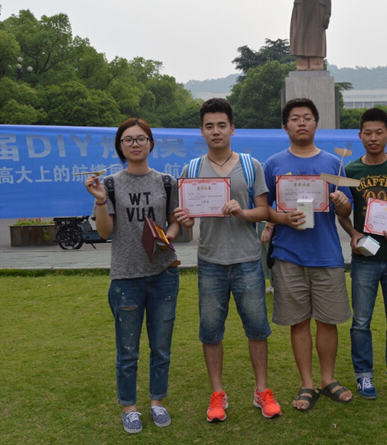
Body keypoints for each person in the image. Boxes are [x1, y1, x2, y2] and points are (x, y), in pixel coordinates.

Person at [174, 98, 281, 422]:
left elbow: (264, 210)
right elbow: (188, 218)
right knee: (210, 331)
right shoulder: (192, 169)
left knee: (257, 328)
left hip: (247, 259)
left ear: (232, 129)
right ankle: (217, 394)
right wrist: (185, 220)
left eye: (221, 125)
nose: (216, 131)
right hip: (210, 261)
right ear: (202, 131)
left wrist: (242, 212)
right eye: (209, 126)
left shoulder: (250, 165)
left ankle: (262, 391)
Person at [85, 118, 180, 434]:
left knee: (161, 347)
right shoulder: (110, 184)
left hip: (164, 273)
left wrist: (169, 235)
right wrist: (101, 199)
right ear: (120, 147)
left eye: (141, 138)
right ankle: (129, 407)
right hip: (126, 278)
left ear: (151, 143)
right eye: (128, 139)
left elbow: (175, 222)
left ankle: (157, 402)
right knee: (127, 351)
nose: (135, 144)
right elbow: (104, 232)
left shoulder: (167, 182)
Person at [261, 98, 353, 411]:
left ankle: (328, 379)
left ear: (316, 123)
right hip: (289, 255)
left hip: (326, 254)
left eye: (308, 117)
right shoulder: (273, 164)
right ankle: (307, 383)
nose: (301, 123)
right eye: (295, 118)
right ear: (285, 126)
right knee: (298, 322)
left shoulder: (333, 163)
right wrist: (282, 218)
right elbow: (264, 208)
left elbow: (346, 210)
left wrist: (342, 202)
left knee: (328, 322)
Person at [337, 108, 387, 401]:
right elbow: (342, 211)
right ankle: (363, 375)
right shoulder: (351, 170)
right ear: (360, 136)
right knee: (361, 321)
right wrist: (353, 233)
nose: (373, 138)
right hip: (365, 258)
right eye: (368, 133)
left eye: (379, 132)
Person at [286, 0, 331, 71]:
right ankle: (302, 62)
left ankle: (316, 62)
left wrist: (327, 14)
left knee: (317, 39)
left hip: (317, 13)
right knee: (301, 37)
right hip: (302, 13)